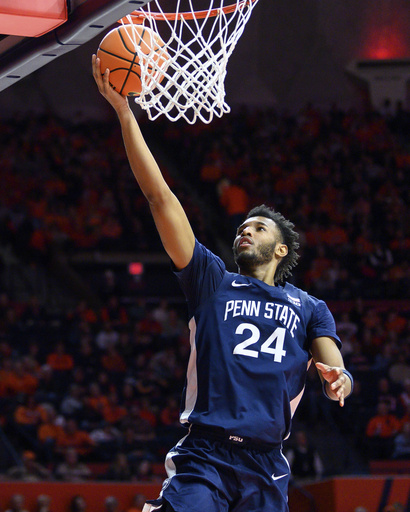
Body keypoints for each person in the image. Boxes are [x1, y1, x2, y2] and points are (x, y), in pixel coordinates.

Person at [92, 55, 354, 512]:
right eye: (242, 227)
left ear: (281, 251)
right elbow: (160, 197)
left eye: (258, 228)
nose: (245, 231)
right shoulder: (212, 280)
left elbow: (334, 364)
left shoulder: (310, 307)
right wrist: (124, 113)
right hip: (206, 455)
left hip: (267, 462)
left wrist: (340, 380)